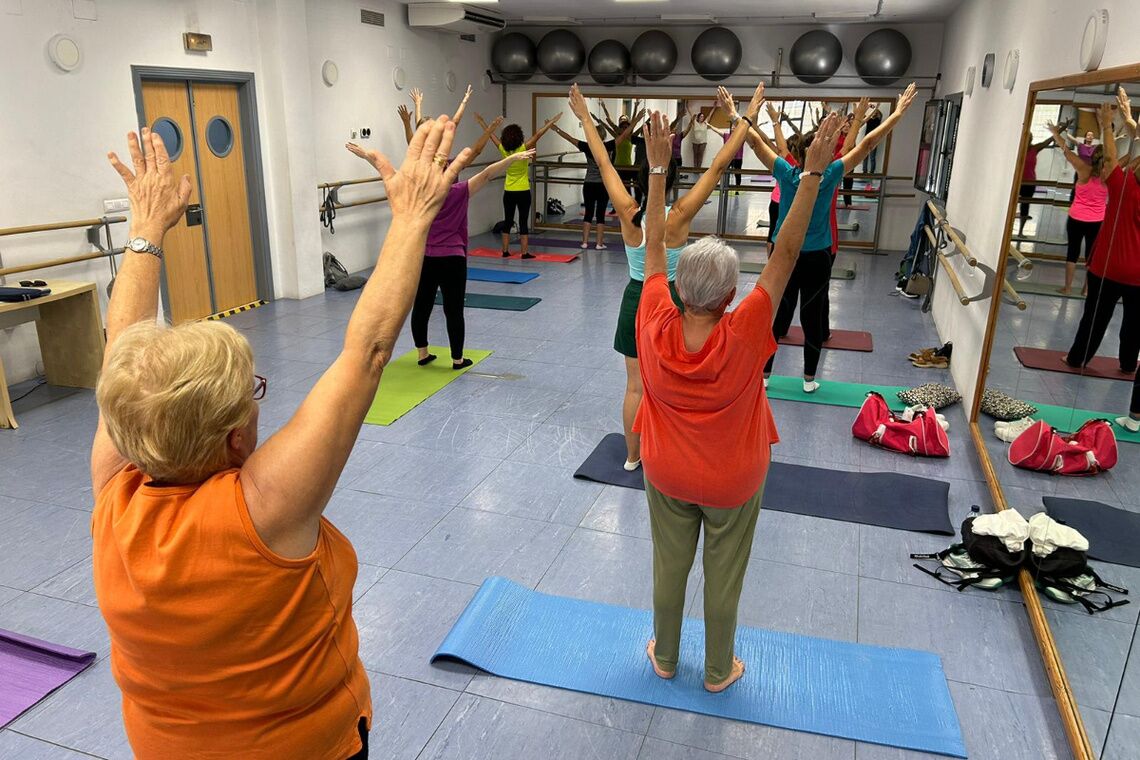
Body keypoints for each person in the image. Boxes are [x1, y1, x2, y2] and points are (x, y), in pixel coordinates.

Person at [92, 118, 473, 758]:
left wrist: (145, 232)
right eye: (253, 392)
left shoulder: (115, 493)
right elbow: (368, 352)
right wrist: (411, 217)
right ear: (237, 438)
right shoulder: (263, 509)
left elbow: (119, 353)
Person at [636, 107, 842, 693]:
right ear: (731, 296)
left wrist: (657, 170)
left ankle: (667, 657)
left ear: (677, 287)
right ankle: (719, 671)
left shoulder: (653, 316)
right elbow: (786, 252)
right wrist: (813, 177)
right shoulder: (748, 326)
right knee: (723, 579)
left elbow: (654, 243)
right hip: (734, 478)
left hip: (667, 471)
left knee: (668, 568)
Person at [567, 81, 765, 471]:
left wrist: (586, 117)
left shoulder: (627, 210)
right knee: (678, 381)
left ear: (638, 176)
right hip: (674, 300)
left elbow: (603, 162)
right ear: (673, 176)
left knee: (635, 386)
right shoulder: (680, 216)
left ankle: (631, 457)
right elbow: (720, 163)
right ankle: (680, 448)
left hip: (635, 299)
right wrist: (747, 115)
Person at [735, 83, 918, 392]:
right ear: (821, 155)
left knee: (779, 315)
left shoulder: (788, 172)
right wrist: (896, 114)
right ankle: (808, 380)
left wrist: (740, 114)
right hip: (818, 255)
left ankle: (764, 377)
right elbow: (867, 145)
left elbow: (755, 142)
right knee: (811, 315)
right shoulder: (830, 174)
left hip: (786, 254)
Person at [382, 109, 534, 368]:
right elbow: (487, 173)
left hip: (425, 258)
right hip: (453, 258)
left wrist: (412, 122)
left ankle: (422, 354)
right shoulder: (459, 192)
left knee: (422, 306)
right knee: (453, 310)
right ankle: (457, 359)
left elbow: (416, 155)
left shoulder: (422, 196)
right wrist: (514, 158)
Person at [1065, 98, 1140, 373]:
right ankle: (1129, 364)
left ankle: (1077, 358)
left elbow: (1109, 157)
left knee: (1094, 318)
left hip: (1108, 268)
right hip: (1138, 275)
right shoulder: (1125, 184)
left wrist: (1107, 126)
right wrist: (1128, 120)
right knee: (1134, 324)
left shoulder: (1122, 186)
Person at [475, 111, 561, 258]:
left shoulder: (503, 150)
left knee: (508, 221)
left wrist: (482, 122)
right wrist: (550, 122)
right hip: (523, 191)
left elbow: (491, 136)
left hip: (509, 191)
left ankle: (505, 251)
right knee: (523, 221)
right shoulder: (523, 149)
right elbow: (538, 135)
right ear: (519, 137)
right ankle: (524, 252)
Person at [548, 117, 635, 250]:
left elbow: (569, 138)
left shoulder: (587, 146)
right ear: (604, 135)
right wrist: (636, 120)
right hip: (603, 185)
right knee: (600, 214)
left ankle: (584, 242)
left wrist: (555, 129)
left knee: (588, 213)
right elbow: (624, 135)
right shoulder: (608, 146)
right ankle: (599, 243)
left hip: (589, 184)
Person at [1047, 120, 1108, 295]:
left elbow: (1066, 150)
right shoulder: (1109, 175)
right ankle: (1087, 289)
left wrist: (1056, 133)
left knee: (1072, 251)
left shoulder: (1082, 168)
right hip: (1097, 220)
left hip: (1076, 218)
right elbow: (1129, 161)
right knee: (1092, 255)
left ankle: (1067, 287)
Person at [1018, 126, 1064, 237]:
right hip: (1017, 182)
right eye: (1025, 137)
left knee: (1025, 206)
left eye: (1029, 137)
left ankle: (1020, 232)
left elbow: (1051, 139)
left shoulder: (1035, 148)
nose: (1027, 139)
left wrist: (1062, 128)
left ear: (1031, 139)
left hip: (1029, 183)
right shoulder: (1017, 149)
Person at [716, 124, 746, 194]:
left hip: (738, 158)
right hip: (728, 158)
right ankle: (723, 188)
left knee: (737, 174)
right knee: (724, 172)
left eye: (735, 127)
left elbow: (749, 133)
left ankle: (737, 189)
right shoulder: (727, 136)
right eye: (732, 127)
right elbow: (717, 131)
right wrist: (710, 126)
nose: (733, 128)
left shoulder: (741, 137)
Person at [861, 105, 883, 173]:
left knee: (872, 157)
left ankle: (872, 172)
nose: (874, 113)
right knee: (865, 157)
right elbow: (862, 116)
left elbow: (880, 114)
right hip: (866, 139)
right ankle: (864, 171)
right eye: (873, 112)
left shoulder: (878, 120)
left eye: (875, 113)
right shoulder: (869, 119)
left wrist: (874, 108)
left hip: (874, 140)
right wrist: (866, 108)